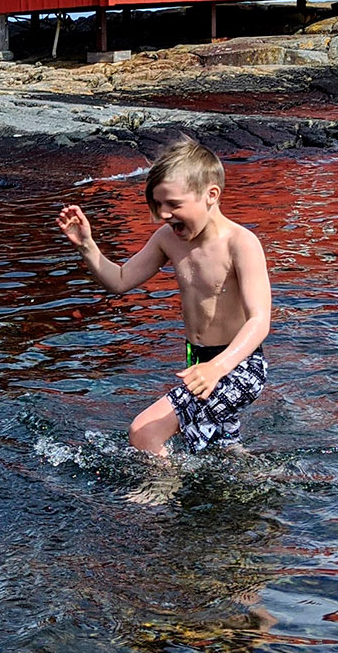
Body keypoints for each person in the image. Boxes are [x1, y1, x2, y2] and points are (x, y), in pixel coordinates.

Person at [56, 139, 273, 455]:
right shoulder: (167, 240)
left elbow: (260, 320)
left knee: (145, 433)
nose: (163, 215)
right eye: (157, 205)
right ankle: (267, 484)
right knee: (220, 451)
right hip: (198, 360)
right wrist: (87, 246)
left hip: (239, 364)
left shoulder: (241, 244)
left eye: (173, 204)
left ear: (211, 195)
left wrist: (218, 367)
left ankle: (160, 498)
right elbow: (119, 280)